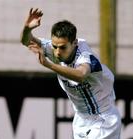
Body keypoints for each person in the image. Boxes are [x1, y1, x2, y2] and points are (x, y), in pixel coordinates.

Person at [20, 8, 121, 139]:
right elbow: (26, 41)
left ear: (74, 43)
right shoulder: (55, 50)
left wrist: (49, 64)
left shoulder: (86, 57)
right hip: (81, 120)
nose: (57, 52)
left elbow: (81, 75)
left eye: (62, 47)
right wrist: (27, 29)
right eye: (55, 47)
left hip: (103, 119)